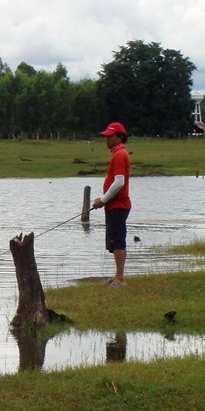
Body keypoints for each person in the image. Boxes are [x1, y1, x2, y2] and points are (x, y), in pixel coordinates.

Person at [92, 122, 131, 287]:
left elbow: (119, 182)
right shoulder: (117, 154)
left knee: (117, 240)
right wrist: (104, 200)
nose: (107, 139)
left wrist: (103, 200)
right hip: (114, 205)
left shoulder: (120, 155)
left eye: (111, 136)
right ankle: (117, 276)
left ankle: (119, 278)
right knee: (115, 240)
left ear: (120, 137)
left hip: (118, 204)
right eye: (106, 136)